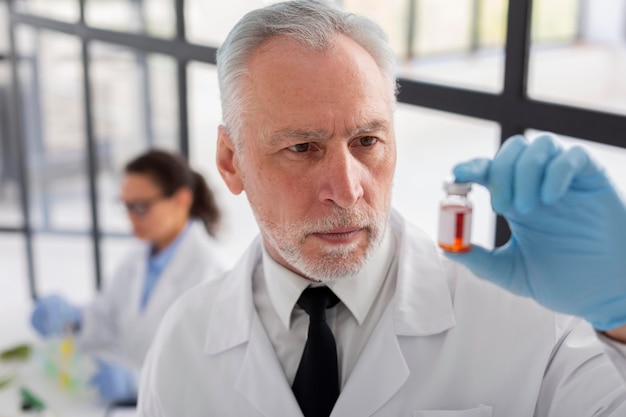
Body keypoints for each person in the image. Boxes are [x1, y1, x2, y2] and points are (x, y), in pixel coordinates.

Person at [137, 1, 626, 416]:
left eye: (367, 140)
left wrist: (621, 312)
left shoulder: (531, 321)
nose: (347, 191)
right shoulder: (183, 345)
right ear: (230, 162)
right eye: (304, 148)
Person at [30, 149, 226, 403]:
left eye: (141, 207)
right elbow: (107, 317)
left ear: (181, 200)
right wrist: (74, 318)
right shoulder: (139, 255)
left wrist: (138, 380)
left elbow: (207, 373)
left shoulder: (210, 272)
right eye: (126, 205)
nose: (131, 217)